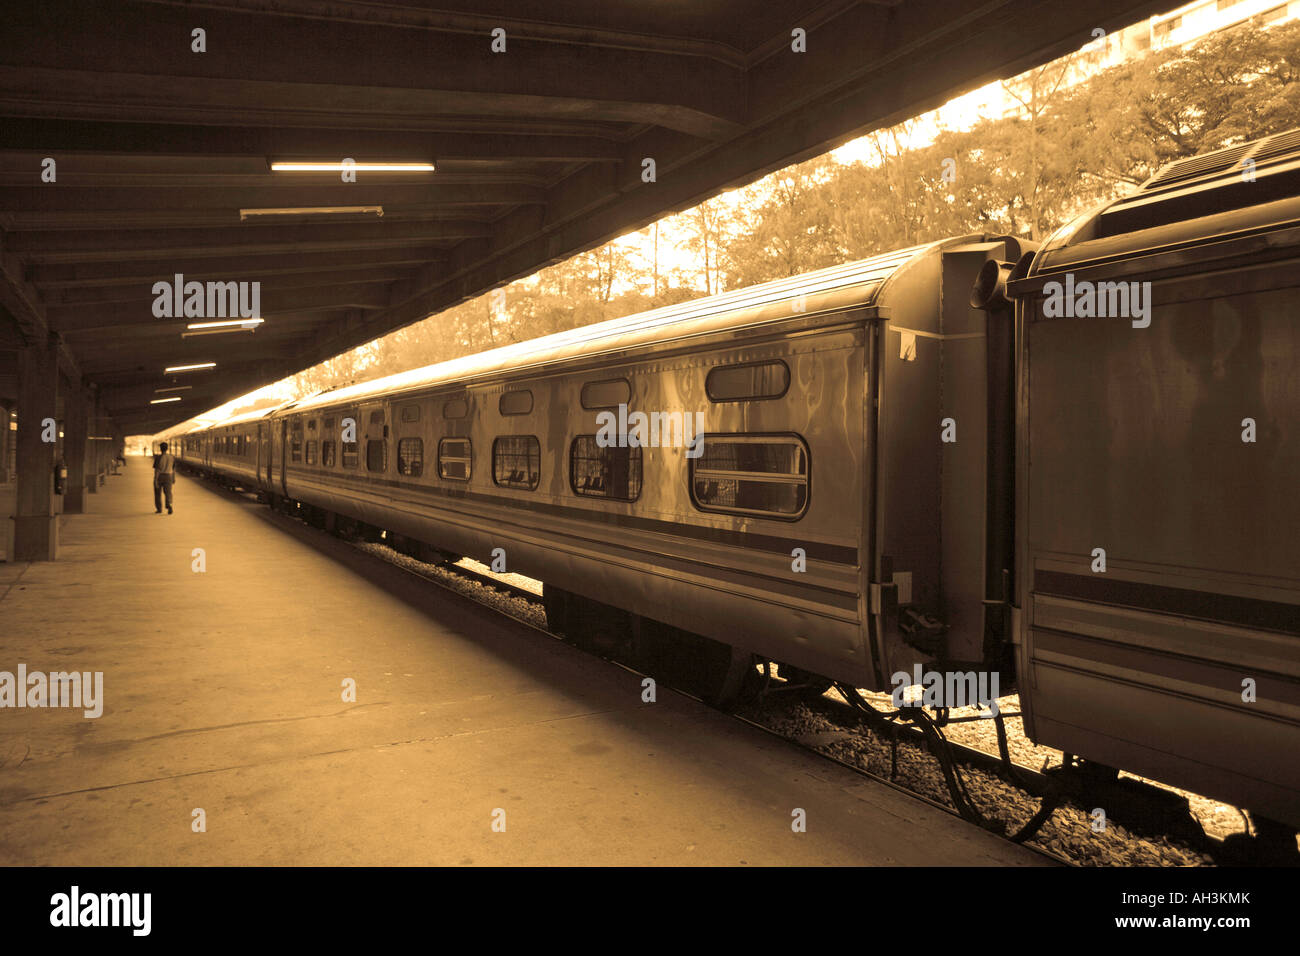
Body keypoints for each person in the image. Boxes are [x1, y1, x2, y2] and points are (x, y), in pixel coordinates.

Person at [153, 442, 176, 514]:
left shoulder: (158, 458)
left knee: (157, 493)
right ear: (167, 448)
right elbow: (174, 469)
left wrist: (155, 480)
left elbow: (157, 470)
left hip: (160, 476)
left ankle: (159, 509)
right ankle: (169, 505)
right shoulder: (172, 457)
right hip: (169, 476)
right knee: (168, 493)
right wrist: (173, 478)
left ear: (160, 449)